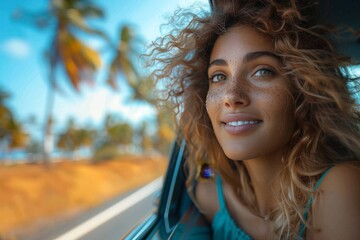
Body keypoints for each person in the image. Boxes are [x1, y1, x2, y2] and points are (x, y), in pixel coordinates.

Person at [148, 0, 360, 239]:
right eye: (219, 76)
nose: (231, 96)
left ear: (303, 91)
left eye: (262, 71)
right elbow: (204, 170)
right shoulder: (210, 191)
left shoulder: (338, 187)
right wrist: (208, 171)